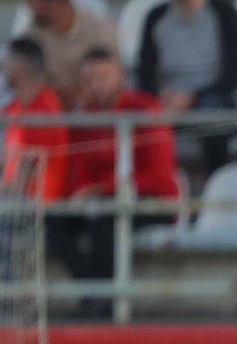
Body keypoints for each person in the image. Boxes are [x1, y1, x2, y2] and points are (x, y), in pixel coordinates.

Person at [46, 49, 177, 313]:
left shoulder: (145, 109)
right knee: (54, 219)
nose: (96, 85)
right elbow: (76, 173)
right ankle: (94, 292)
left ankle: (103, 301)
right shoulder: (80, 120)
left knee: (105, 218)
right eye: (89, 79)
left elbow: (157, 177)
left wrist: (102, 188)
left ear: (121, 76)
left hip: (152, 201)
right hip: (99, 202)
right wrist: (80, 194)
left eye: (103, 77)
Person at [135, 0, 237, 175]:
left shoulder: (225, 13)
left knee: (213, 114)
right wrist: (161, 95)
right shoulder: (156, 16)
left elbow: (232, 76)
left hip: (213, 97)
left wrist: (191, 97)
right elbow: (144, 75)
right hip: (168, 99)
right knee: (139, 113)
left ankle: (215, 180)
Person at [20, 0, 118, 105]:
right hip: (48, 112)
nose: (28, 3)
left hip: (95, 111)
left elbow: (112, 84)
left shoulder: (99, 31)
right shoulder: (30, 37)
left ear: (56, 1)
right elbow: (27, 88)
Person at [2, 38, 68, 202]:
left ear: (17, 69)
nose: (2, 67)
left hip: (35, 205)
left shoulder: (45, 112)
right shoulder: (15, 107)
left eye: (6, 61)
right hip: (14, 199)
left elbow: (24, 174)